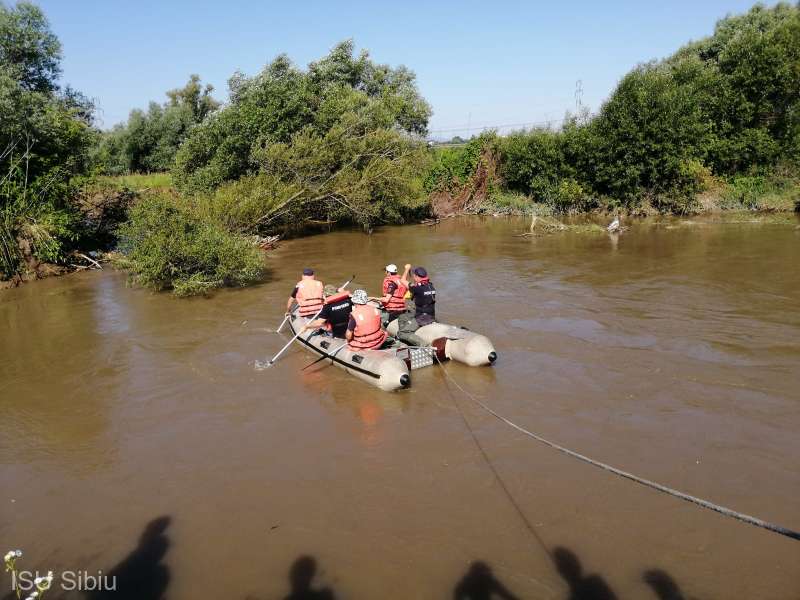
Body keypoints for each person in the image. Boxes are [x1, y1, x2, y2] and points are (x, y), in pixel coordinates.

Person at [394, 264, 436, 346]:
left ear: (417, 276)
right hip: (431, 315)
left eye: (414, 276)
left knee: (402, 333)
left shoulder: (416, 288)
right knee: (402, 317)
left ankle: (424, 345)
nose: (413, 277)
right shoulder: (431, 286)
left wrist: (407, 269)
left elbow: (402, 280)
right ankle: (407, 339)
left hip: (422, 318)